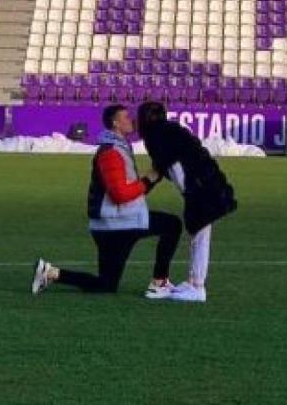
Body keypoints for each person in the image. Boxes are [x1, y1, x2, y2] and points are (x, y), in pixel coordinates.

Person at [31, 105, 181, 295]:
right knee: (173, 225)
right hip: (119, 223)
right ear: (115, 123)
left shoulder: (117, 148)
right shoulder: (111, 152)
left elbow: (129, 191)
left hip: (109, 224)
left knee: (106, 285)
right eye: (126, 117)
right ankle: (159, 282)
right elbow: (119, 194)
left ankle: (50, 272)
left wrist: (152, 178)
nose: (131, 120)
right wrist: (148, 179)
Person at [136, 101, 238, 303]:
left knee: (200, 235)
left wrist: (140, 191)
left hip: (201, 190)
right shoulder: (171, 133)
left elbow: (167, 169)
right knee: (199, 234)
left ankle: (198, 286)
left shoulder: (157, 137)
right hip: (206, 186)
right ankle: (194, 281)